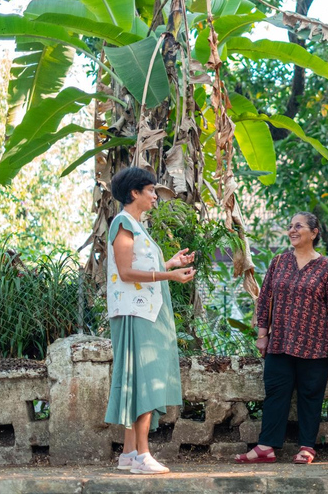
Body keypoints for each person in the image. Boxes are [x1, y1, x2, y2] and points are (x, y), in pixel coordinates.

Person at [234, 212, 328, 465]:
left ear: (314, 233)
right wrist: (262, 335)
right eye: (290, 226)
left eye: (299, 226)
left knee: (311, 396)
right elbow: (265, 299)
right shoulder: (279, 262)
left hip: (316, 345)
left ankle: (306, 447)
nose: (292, 230)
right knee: (276, 394)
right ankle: (266, 447)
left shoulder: (327, 267)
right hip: (280, 342)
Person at [105, 167, 196, 474]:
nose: (156, 196)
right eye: (151, 191)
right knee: (145, 378)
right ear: (135, 193)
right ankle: (143, 454)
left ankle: (129, 453)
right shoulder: (123, 222)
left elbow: (140, 268)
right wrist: (168, 274)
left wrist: (170, 263)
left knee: (138, 378)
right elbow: (126, 272)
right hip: (136, 314)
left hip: (146, 310)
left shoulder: (135, 225)